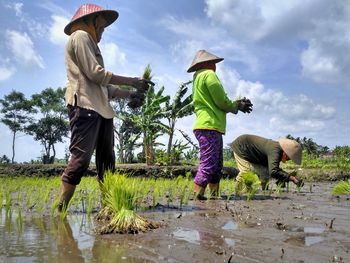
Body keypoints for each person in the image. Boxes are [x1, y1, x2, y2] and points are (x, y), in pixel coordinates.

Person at [58, 3, 149, 211]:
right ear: (91, 21)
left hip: (102, 110)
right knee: (80, 159)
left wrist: (131, 95)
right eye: (101, 26)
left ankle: (110, 206)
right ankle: (60, 209)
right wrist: (133, 81)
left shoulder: (91, 44)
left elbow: (106, 88)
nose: (102, 31)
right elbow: (96, 73)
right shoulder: (80, 36)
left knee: (107, 162)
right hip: (85, 105)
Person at [187, 50, 253, 200]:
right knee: (209, 162)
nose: (215, 66)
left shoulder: (197, 78)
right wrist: (237, 106)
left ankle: (214, 196)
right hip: (209, 126)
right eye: (214, 63)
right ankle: (197, 196)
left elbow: (216, 101)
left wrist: (236, 104)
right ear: (208, 64)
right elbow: (221, 101)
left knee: (216, 165)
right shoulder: (208, 75)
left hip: (209, 127)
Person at [231, 134, 304, 189]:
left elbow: (271, 170)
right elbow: (274, 171)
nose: (288, 160)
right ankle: (236, 191)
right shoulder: (275, 150)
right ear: (285, 153)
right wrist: (292, 178)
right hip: (241, 146)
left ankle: (263, 189)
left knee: (265, 173)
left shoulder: (277, 150)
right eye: (288, 158)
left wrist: (283, 179)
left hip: (253, 154)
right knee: (246, 171)